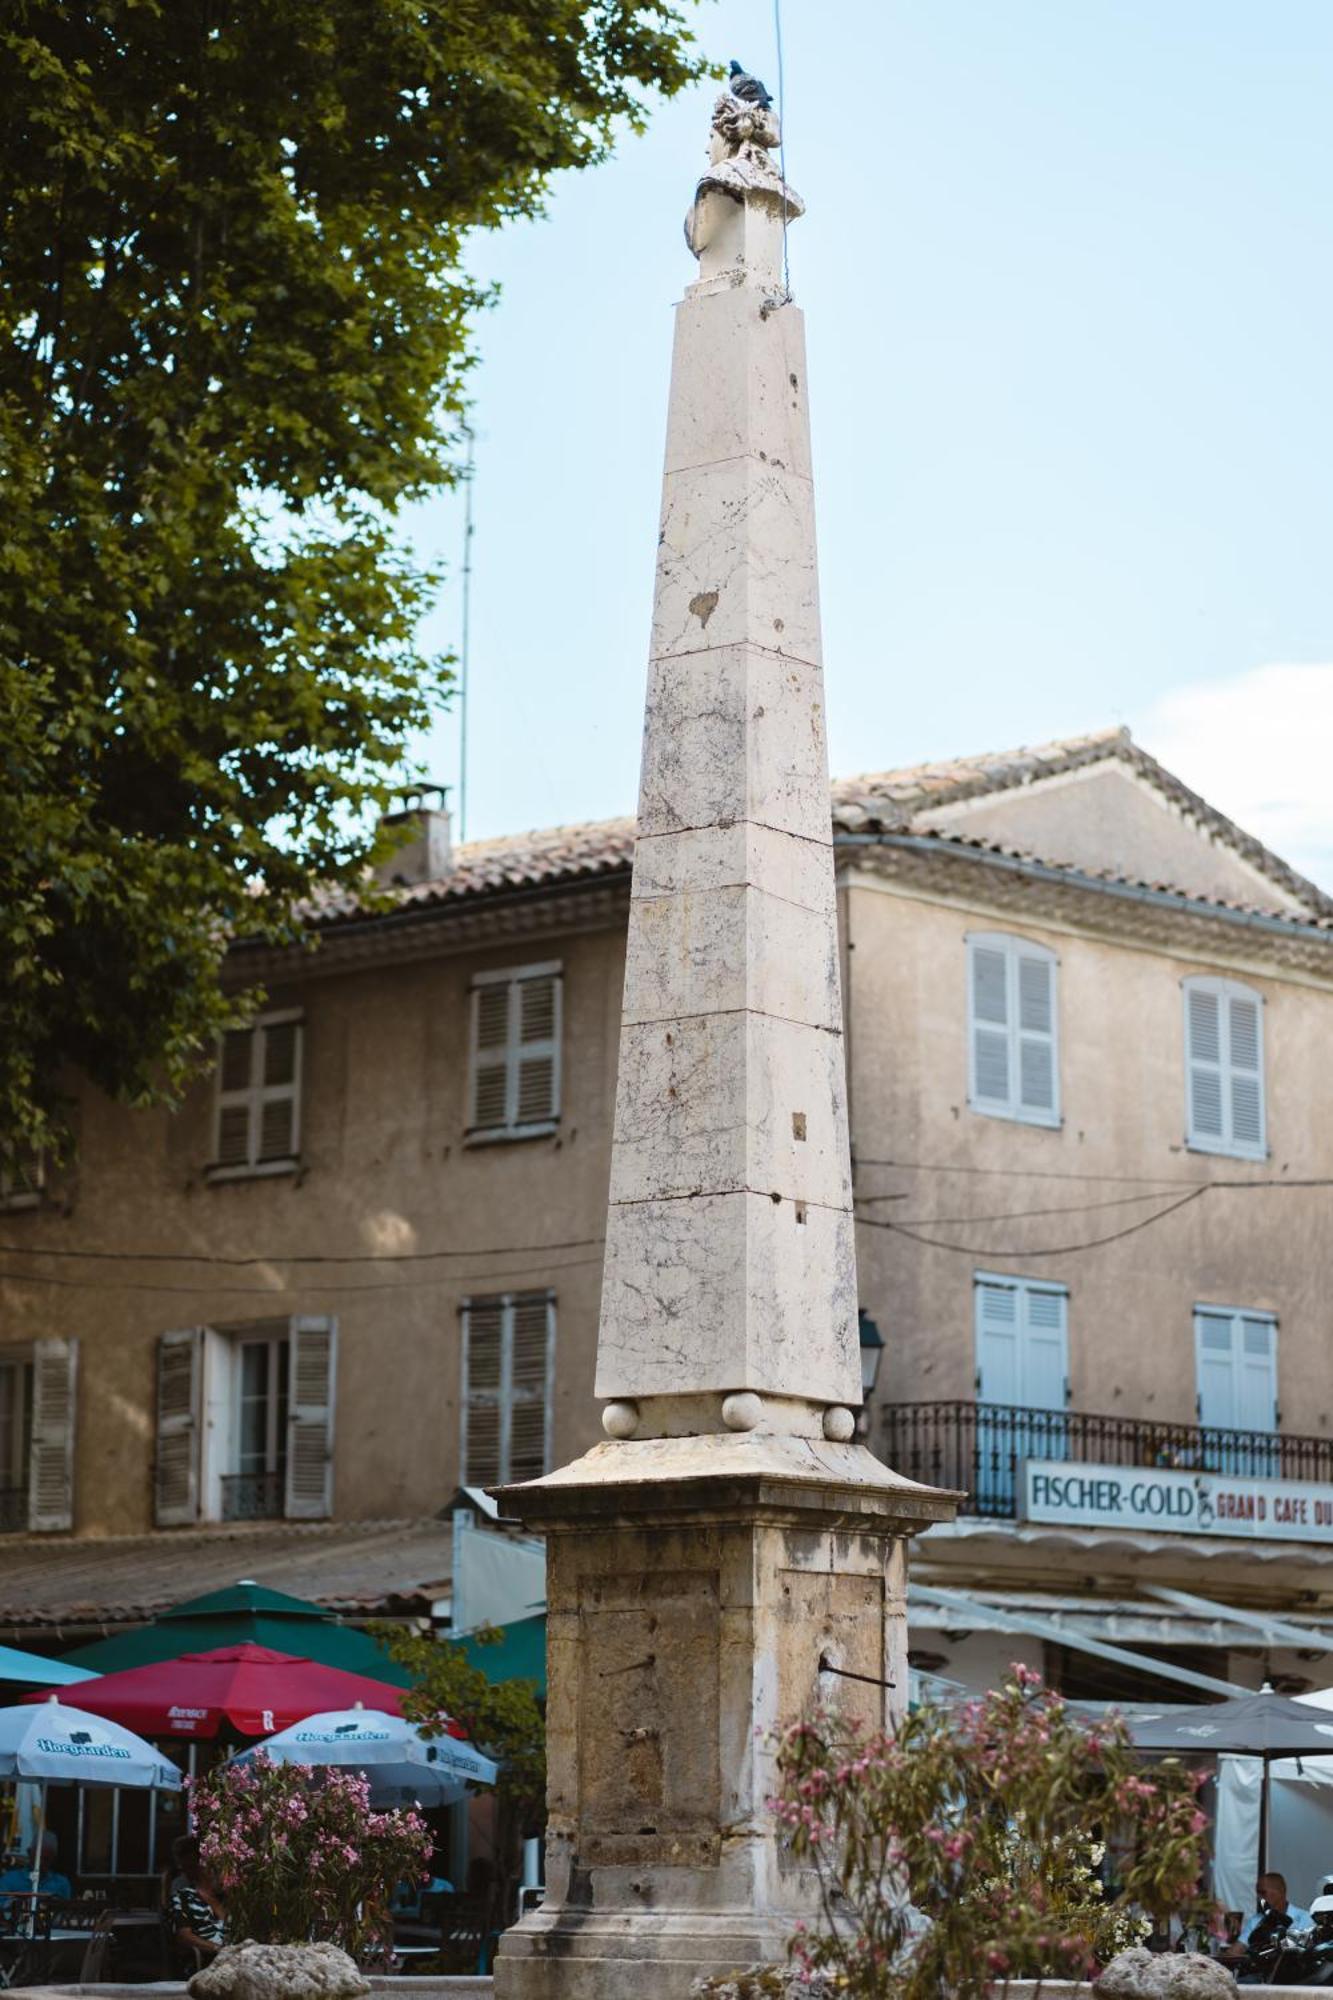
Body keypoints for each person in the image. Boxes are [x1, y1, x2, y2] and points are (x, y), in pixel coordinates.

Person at [1217, 1872, 1312, 1971]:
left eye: (1262, 1892)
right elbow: (1235, 1952)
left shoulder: (1304, 1918)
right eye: (1258, 1893)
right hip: (1260, 1976)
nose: (1259, 1897)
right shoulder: (1256, 1920)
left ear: (1280, 1892)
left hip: (1296, 1977)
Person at [167, 1835, 225, 1963]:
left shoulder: (230, 1898)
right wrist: (219, 1949)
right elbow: (184, 1936)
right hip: (210, 1959)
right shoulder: (184, 1896)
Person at [0, 1832, 72, 1914]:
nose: (40, 1863)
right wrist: (16, 1904)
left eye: (46, 1859)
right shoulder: (9, 1880)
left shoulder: (61, 1883)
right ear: (29, 1852)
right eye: (38, 1857)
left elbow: (66, 1912)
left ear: (53, 1859)